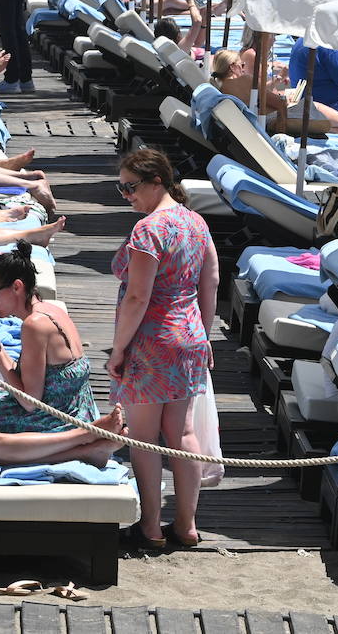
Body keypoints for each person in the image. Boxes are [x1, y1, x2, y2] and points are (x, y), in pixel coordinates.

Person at [108, 149, 219, 550]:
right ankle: (187, 525)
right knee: (183, 431)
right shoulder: (196, 222)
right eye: (121, 188)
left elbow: (138, 297)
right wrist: (203, 336)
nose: (126, 196)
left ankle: (151, 527)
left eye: (131, 187)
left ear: (157, 181)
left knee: (144, 437)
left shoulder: (149, 230)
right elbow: (211, 283)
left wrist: (118, 350)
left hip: (151, 341)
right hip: (189, 336)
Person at [0, 241, 98, 432]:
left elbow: (30, 403)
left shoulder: (34, 325)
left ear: (17, 287)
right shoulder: (52, 310)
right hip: (81, 411)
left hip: (54, 419)